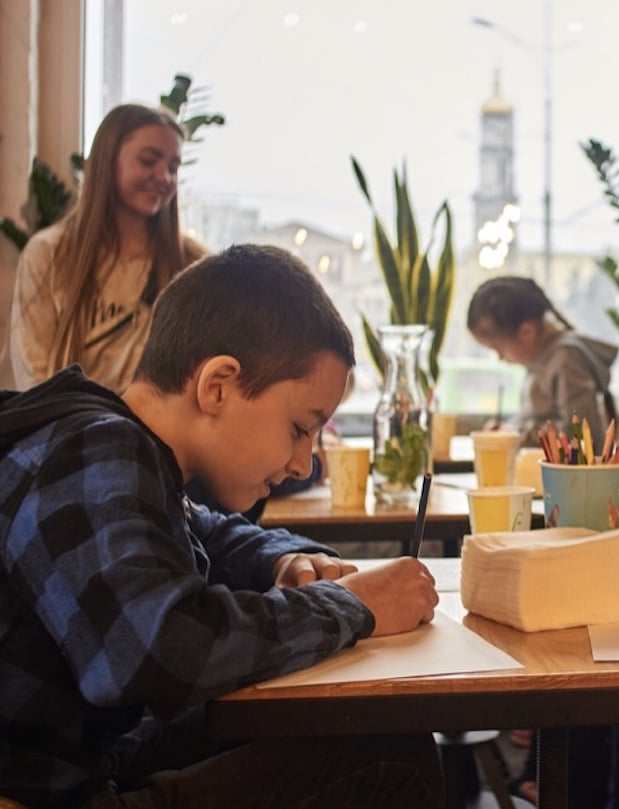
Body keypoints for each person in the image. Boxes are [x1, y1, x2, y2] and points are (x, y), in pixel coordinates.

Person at [0, 244, 444, 808]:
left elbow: (207, 530)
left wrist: (286, 558)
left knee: (357, 729)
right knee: (393, 756)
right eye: (299, 428)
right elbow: (158, 650)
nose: (304, 464)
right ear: (218, 386)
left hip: (85, 764)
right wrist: (353, 606)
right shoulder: (96, 451)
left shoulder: (126, 451)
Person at [9, 103, 207, 393]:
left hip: (157, 439)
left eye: (173, 168)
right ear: (107, 160)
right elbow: (33, 377)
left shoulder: (195, 265)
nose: (164, 177)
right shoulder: (49, 253)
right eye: (149, 160)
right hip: (67, 434)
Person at [468, 275, 618, 446]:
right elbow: (541, 419)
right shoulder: (541, 360)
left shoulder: (565, 360)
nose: (500, 358)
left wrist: (515, 435)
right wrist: (509, 428)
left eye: (498, 349)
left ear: (526, 332)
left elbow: (580, 432)